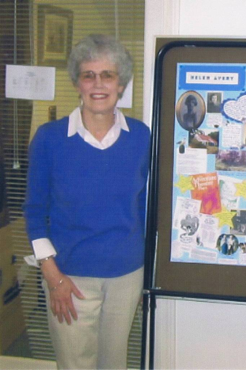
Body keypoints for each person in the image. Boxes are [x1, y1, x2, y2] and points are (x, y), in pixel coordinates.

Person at [23, 34, 150, 370]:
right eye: (88, 75)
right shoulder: (49, 139)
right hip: (70, 276)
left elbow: (144, 207)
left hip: (126, 275)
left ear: (121, 84)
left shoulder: (141, 137)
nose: (98, 84)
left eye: (107, 75)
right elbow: (35, 212)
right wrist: (52, 275)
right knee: (75, 364)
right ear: (77, 83)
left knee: (114, 363)